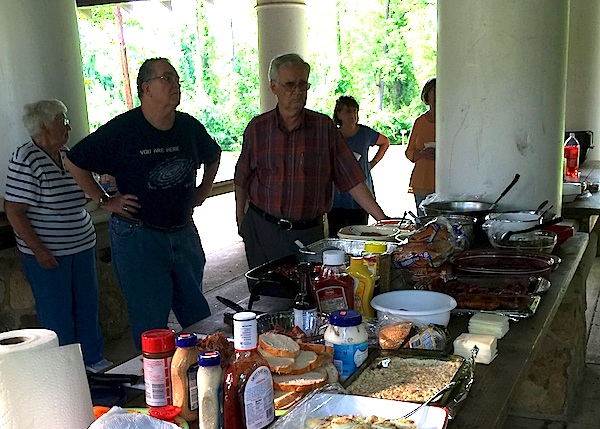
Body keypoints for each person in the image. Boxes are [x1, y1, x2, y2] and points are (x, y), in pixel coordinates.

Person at [65, 57, 221, 350]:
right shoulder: (123, 130)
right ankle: (159, 389)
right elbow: (74, 161)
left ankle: (205, 379)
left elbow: (213, 155)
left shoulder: (188, 127)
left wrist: (202, 191)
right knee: (151, 326)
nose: (175, 85)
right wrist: (104, 200)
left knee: (198, 318)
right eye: (167, 79)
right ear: (146, 88)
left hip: (183, 232)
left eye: (176, 79)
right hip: (138, 235)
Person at [234, 53, 388, 269]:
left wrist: (384, 221)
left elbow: (352, 179)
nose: (297, 91)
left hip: (310, 234)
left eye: (302, 84)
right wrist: (241, 220)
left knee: (311, 296)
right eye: (289, 85)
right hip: (262, 229)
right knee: (267, 297)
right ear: (273, 86)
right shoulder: (258, 129)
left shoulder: (324, 128)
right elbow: (242, 177)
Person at [4, 100, 110, 372]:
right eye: (61, 121)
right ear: (43, 126)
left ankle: (92, 359)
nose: (68, 126)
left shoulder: (66, 154)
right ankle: (65, 368)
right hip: (49, 251)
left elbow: (89, 188)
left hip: (81, 245)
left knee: (87, 305)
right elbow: (14, 211)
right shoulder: (25, 158)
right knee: (57, 314)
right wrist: (39, 249)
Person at [328, 95, 390, 236]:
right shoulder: (333, 135)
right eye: (348, 111)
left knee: (360, 233)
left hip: (362, 192)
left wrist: (372, 163)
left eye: (355, 111)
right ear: (339, 114)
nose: (352, 115)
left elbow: (385, 142)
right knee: (336, 233)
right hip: (337, 195)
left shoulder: (365, 133)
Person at [406, 77, 436, 215]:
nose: (437, 96)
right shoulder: (420, 122)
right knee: (425, 224)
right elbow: (409, 152)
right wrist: (422, 154)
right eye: (434, 92)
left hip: (446, 183)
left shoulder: (451, 121)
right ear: (426, 96)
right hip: (422, 181)